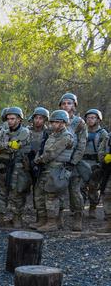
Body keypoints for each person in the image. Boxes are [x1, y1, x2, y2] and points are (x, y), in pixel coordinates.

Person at [33, 110, 76, 232]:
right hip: (46, 169)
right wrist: (38, 158)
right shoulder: (52, 135)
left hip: (57, 170)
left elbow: (52, 153)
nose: (54, 124)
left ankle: (52, 222)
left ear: (64, 123)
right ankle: (42, 220)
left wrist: (39, 160)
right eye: (52, 122)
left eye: (57, 122)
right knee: (39, 195)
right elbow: (44, 150)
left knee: (51, 197)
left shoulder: (66, 136)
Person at [0, 107, 31, 227]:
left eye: (13, 118)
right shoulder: (3, 131)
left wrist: (5, 146)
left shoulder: (24, 131)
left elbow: (16, 146)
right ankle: (0, 216)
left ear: (19, 119)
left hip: (17, 166)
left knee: (17, 192)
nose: (10, 121)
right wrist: (8, 144)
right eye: (8, 119)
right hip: (3, 164)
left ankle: (16, 217)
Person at [58, 92, 88, 230]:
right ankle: (58, 218)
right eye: (63, 103)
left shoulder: (79, 122)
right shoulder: (57, 119)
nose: (66, 106)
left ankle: (78, 217)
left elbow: (81, 145)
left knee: (75, 191)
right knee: (58, 191)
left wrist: (73, 162)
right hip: (58, 161)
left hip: (73, 163)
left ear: (74, 105)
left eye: (69, 103)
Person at [26, 107, 51, 226]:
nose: (38, 120)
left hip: (41, 165)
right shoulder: (27, 131)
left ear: (45, 120)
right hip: (26, 163)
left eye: (41, 118)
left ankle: (41, 217)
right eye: (36, 118)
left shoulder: (49, 133)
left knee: (41, 191)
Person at [83, 109, 108, 219]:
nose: (90, 120)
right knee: (80, 187)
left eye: (93, 117)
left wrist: (101, 164)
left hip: (96, 163)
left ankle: (92, 208)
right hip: (82, 162)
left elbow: (105, 149)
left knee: (93, 187)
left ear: (98, 119)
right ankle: (79, 208)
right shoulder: (82, 131)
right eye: (88, 117)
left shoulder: (103, 133)